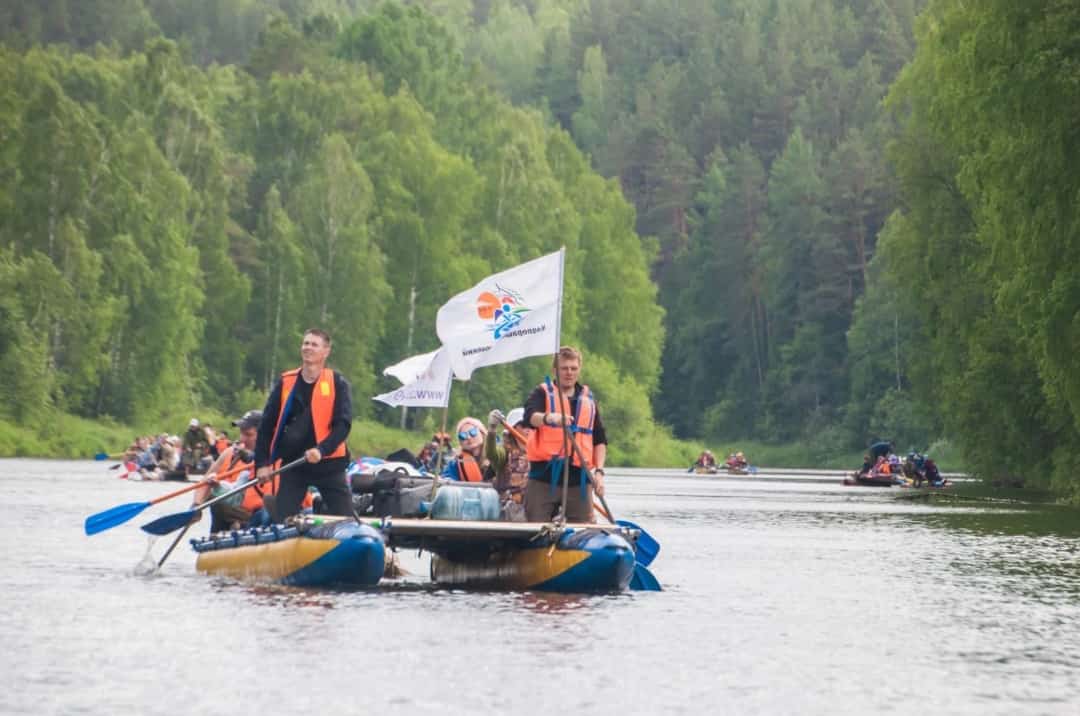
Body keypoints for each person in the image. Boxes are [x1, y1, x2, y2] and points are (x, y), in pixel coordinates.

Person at [253, 328, 354, 522]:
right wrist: (262, 464)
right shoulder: (286, 382)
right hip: (294, 464)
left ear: (326, 351)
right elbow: (266, 426)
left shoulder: (337, 382)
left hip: (329, 464)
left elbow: (343, 425)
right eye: (305, 343)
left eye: (314, 344)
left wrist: (321, 450)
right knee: (283, 519)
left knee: (346, 520)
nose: (308, 347)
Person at [523, 346, 607, 523]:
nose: (569, 373)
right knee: (534, 526)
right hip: (544, 477)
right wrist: (550, 418)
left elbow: (599, 440)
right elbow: (530, 417)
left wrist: (599, 472)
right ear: (555, 370)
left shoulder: (588, 399)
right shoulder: (542, 393)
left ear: (579, 369)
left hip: (579, 479)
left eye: (573, 368)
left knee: (585, 527)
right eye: (564, 368)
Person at [190, 410, 276, 532]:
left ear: (264, 435)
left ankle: (242, 526)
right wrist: (196, 505)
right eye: (241, 433)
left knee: (264, 514)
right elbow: (203, 484)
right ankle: (220, 538)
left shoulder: (275, 456)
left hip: (260, 515)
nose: (242, 439)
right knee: (216, 502)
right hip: (230, 511)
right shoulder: (229, 453)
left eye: (248, 434)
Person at [485, 407, 530, 519]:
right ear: (512, 430)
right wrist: (492, 430)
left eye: (531, 426)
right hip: (506, 513)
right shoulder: (504, 453)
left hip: (533, 511)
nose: (529, 429)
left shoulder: (541, 453)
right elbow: (492, 453)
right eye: (524, 426)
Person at [441, 416, 494, 482]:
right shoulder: (455, 463)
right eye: (463, 436)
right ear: (460, 442)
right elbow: (446, 478)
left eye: (473, 432)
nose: (468, 437)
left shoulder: (497, 455)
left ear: (482, 433)